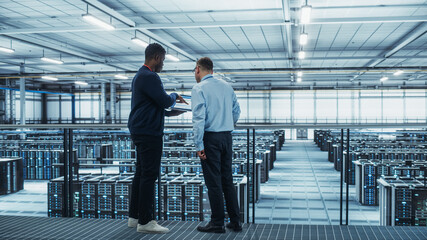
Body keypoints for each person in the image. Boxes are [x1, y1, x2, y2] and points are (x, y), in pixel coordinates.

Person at [127, 43, 187, 234]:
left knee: (141, 173)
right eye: (163, 60)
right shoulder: (150, 76)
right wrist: (175, 95)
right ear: (157, 57)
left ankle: (135, 217)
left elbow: (151, 105)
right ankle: (146, 221)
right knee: (149, 175)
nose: (163, 64)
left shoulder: (140, 75)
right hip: (149, 132)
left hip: (141, 129)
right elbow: (164, 100)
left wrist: (170, 114)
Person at [191, 57, 242, 233]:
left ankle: (217, 222)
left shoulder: (199, 88)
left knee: (213, 182)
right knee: (227, 179)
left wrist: (198, 144)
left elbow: (199, 118)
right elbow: (237, 111)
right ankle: (235, 221)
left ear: (198, 69)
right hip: (227, 137)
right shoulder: (227, 86)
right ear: (212, 70)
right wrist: (227, 124)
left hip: (210, 139)